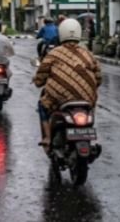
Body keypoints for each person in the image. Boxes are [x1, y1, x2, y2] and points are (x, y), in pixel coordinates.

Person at [33, 18, 102, 150]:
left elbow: (41, 77)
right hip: (86, 99)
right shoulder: (88, 54)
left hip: (59, 98)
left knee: (42, 105)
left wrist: (38, 81)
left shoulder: (54, 54)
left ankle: (47, 137)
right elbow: (98, 77)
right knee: (90, 110)